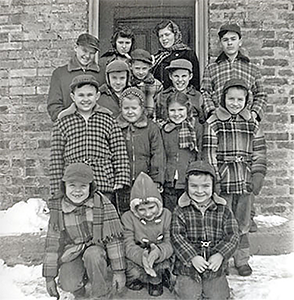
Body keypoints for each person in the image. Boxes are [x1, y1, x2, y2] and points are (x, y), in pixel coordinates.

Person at [202, 78, 267, 276]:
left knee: (242, 222)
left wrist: (257, 175)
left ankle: (242, 259)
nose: (235, 103)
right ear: (223, 98)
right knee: (222, 222)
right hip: (224, 179)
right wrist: (214, 181)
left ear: (246, 100)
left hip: (245, 180)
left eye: (240, 99)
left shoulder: (251, 123)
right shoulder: (214, 122)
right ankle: (221, 260)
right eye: (231, 99)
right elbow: (209, 153)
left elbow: (260, 152)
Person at [43, 163, 126, 299]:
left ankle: (100, 294)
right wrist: (49, 277)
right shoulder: (58, 209)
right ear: (64, 186)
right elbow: (52, 245)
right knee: (68, 282)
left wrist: (119, 271)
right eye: (72, 186)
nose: (77, 191)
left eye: (83, 186)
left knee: (93, 255)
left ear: (90, 187)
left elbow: (113, 240)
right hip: (72, 252)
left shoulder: (102, 204)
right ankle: (79, 289)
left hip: (96, 251)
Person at [49, 74, 130, 211]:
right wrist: (57, 186)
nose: (85, 99)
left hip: (102, 181)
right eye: (81, 95)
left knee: (102, 220)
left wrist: (121, 178)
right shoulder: (63, 121)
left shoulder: (107, 119)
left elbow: (119, 151)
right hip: (75, 184)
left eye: (89, 95)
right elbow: (56, 157)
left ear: (97, 96)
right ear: (73, 97)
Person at [171, 160, 239, 300]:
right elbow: (177, 237)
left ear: (213, 186)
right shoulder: (181, 210)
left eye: (205, 186)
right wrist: (193, 257)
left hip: (214, 267)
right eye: (194, 186)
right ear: (187, 186)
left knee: (217, 296)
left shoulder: (223, 210)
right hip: (188, 267)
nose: (200, 191)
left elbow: (232, 236)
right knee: (188, 295)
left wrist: (220, 255)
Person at [121, 172, 174, 297]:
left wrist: (158, 252)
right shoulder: (128, 218)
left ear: (158, 204)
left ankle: (158, 277)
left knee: (163, 268)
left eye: (151, 208)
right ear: (135, 209)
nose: (148, 213)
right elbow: (127, 244)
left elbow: (170, 241)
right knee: (132, 271)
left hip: (160, 253)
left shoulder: (166, 215)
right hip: (138, 255)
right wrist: (141, 256)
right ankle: (136, 278)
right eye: (142, 210)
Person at [201, 23, 267, 122]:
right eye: (225, 40)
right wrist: (213, 112)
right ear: (220, 43)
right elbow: (205, 93)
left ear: (240, 42)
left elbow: (261, 94)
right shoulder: (211, 68)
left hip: (245, 120)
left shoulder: (252, 69)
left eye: (233, 39)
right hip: (220, 120)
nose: (229, 43)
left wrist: (253, 114)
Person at [116, 87, 165, 213]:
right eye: (126, 108)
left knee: (144, 211)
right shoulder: (115, 127)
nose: (130, 112)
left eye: (134, 108)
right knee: (124, 212)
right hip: (123, 181)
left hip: (145, 179)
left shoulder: (151, 128)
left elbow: (157, 154)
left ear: (142, 108)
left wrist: (156, 180)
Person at [161, 92, 203, 212]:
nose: (177, 114)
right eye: (172, 110)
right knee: (170, 210)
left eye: (181, 110)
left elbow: (199, 153)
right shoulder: (164, 129)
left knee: (187, 210)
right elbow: (161, 154)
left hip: (188, 178)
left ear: (187, 109)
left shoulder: (196, 128)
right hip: (169, 179)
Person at [47, 33, 100, 122]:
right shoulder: (60, 74)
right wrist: (69, 122)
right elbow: (54, 106)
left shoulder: (101, 73)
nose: (87, 56)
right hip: (69, 126)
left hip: (96, 127)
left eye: (92, 53)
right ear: (76, 48)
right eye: (84, 50)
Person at [152, 20, 200, 91]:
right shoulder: (158, 57)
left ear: (175, 34)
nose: (164, 39)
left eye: (167, 35)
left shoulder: (187, 54)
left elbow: (195, 83)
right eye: (161, 36)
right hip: (161, 98)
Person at [155, 58, 205, 124]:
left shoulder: (198, 96)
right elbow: (158, 120)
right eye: (176, 76)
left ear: (190, 76)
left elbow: (202, 121)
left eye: (184, 76)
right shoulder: (162, 96)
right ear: (170, 76)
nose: (180, 80)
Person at [129, 49, 163, 118]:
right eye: (137, 68)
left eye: (144, 68)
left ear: (150, 67)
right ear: (130, 66)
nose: (141, 72)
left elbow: (159, 107)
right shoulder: (128, 84)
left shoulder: (157, 85)